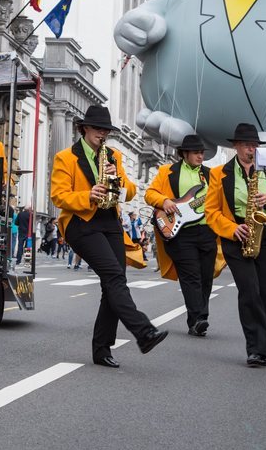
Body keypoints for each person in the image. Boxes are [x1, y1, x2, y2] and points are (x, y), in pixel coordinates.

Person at [50, 104, 167, 368]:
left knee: (113, 282)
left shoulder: (112, 155)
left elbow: (132, 191)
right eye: (97, 129)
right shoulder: (66, 157)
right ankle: (143, 331)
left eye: (105, 130)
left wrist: (118, 182)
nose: (102, 134)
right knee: (114, 277)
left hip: (109, 221)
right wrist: (87, 195)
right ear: (85, 128)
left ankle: (101, 349)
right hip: (81, 222)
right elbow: (58, 196)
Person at [204, 123, 266, 367]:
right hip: (237, 236)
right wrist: (232, 229)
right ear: (235, 146)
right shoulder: (219, 173)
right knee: (249, 290)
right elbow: (211, 211)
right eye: (247, 145)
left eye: (254, 145)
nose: (251, 149)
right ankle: (254, 348)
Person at [146, 134, 219, 338]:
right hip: (180, 233)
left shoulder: (211, 175)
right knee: (191, 276)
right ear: (184, 154)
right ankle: (197, 319)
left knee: (206, 277)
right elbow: (149, 194)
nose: (200, 156)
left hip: (207, 232)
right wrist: (164, 201)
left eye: (202, 152)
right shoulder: (167, 171)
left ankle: (198, 319)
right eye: (196, 152)